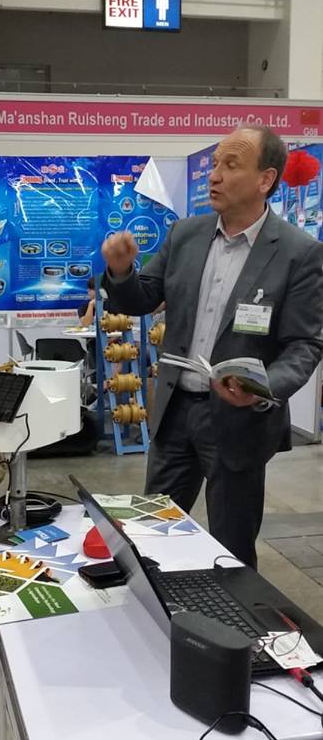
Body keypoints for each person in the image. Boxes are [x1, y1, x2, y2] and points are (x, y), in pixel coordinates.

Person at [102, 126, 323, 568]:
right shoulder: (185, 234)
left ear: (265, 179)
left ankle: (232, 614)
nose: (214, 175)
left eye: (231, 165)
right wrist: (122, 272)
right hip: (175, 412)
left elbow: (304, 344)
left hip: (239, 421)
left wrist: (261, 387)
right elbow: (143, 299)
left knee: (232, 548)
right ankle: (159, 608)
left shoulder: (298, 253)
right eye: (215, 163)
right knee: (152, 534)